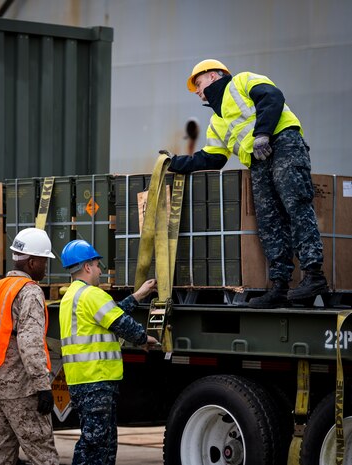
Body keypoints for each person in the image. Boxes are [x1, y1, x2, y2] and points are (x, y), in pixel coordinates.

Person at [162, 58, 328, 308]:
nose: (196, 91)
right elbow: (212, 158)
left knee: (297, 206)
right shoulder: (217, 122)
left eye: (198, 83)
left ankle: (314, 276)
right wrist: (174, 163)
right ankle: (280, 287)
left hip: (283, 143)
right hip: (258, 161)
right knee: (270, 223)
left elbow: (272, 97)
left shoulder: (242, 81)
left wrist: (262, 133)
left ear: (214, 76)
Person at [59, 239, 159, 465]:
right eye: (97, 265)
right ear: (86, 267)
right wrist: (143, 338)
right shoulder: (91, 295)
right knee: (95, 444)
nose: (99, 272)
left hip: (83, 380)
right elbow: (121, 323)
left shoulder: (71, 296)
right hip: (97, 379)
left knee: (102, 442)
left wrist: (137, 296)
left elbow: (110, 315)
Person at [0, 227, 60, 465]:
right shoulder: (29, 291)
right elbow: (29, 342)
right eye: (44, 260)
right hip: (20, 390)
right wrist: (43, 386)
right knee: (43, 457)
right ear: (32, 262)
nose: (46, 266)